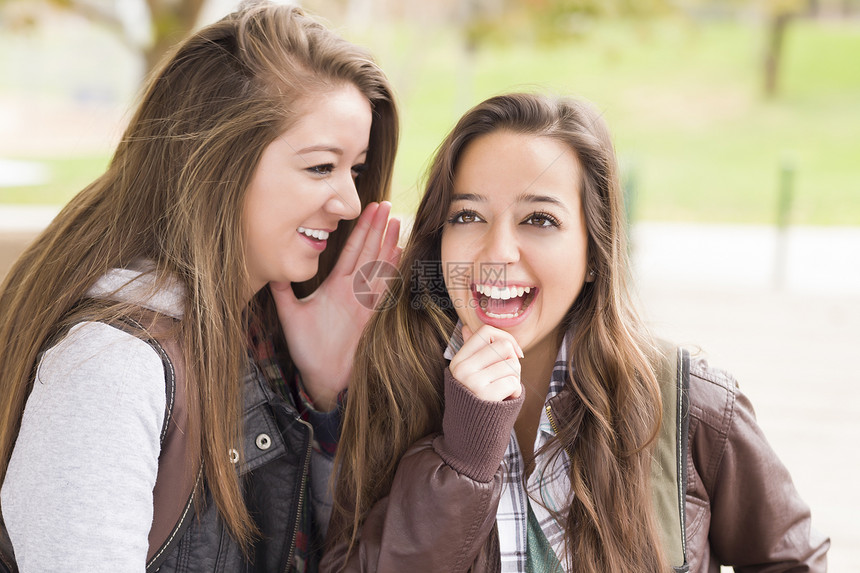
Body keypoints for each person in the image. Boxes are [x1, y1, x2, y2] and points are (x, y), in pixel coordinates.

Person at [322, 93, 829, 572]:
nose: (497, 253)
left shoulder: (689, 402)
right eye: (468, 215)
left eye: (539, 219)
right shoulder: (390, 385)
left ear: (593, 251)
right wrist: (462, 460)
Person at [0, 3, 400, 572]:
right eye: (320, 168)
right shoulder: (112, 366)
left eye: (355, 169)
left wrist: (323, 394)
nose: (350, 203)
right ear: (217, 161)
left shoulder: (253, 330)